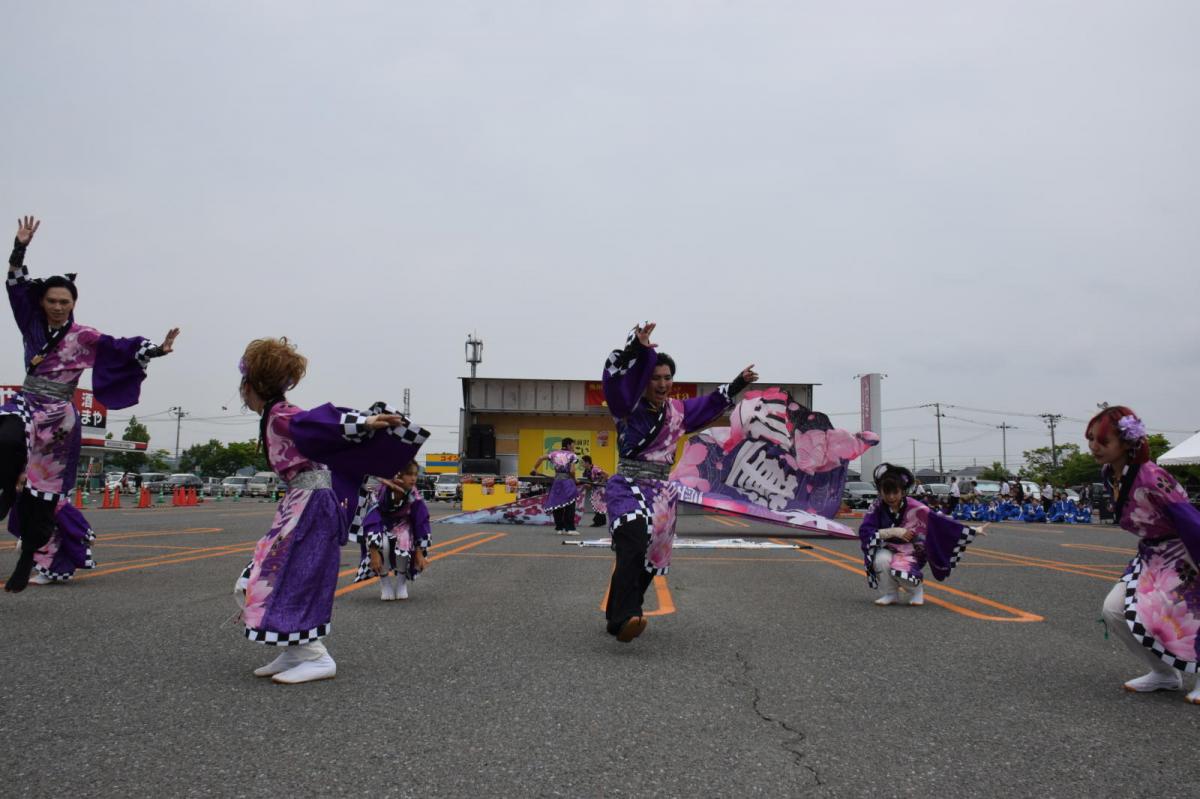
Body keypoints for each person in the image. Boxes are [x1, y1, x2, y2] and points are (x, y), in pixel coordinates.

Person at [234, 337, 428, 684]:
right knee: (279, 577)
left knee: (271, 578)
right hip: (302, 505)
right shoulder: (277, 416)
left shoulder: (282, 415)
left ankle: (316, 656)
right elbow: (321, 437)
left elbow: (317, 423)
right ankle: (296, 651)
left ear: (249, 386)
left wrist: (363, 424)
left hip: (309, 507)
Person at [1, 216, 179, 591]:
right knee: (5, 439)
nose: (57, 307)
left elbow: (121, 347)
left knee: (45, 498)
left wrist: (157, 350)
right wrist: (20, 247)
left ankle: (31, 558)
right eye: (51, 301)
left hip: (59, 418)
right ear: (42, 302)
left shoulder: (84, 336)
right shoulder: (29, 321)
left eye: (64, 302)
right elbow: (15, 281)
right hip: (28, 400)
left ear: (74, 303)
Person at [600, 322, 756, 642]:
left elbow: (712, 403)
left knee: (651, 552)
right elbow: (616, 380)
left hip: (661, 493)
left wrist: (738, 382)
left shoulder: (678, 412)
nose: (662, 384)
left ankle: (622, 613)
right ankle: (624, 616)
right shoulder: (627, 406)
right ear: (644, 381)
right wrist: (636, 349)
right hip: (628, 484)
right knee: (633, 533)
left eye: (667, 378)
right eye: (655, 378)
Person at [1092, 406, 1200, 703]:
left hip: (1184, 551)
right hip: (1151, 556)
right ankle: (1164, 673)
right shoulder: (1108, 475)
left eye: (1103, 441)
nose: (1094, 447)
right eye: (1090, 439)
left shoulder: (1152, 477)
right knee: (1113, 610)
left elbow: (1189, 519)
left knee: (1190, 614)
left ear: (1127, 443)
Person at [857, 463, 978, 606]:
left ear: (902, 491)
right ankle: (890, 593)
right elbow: (865, 531)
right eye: (886, 492)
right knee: (880, 560)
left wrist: (973, 530)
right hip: (888, 547)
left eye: (895, 492)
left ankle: (916, 591)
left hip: (913, 551)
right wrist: (892, 531)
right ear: (880, 492)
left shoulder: (916, 507)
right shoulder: (876, 506)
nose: (891, 497)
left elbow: (939, 521)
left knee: (900, 569)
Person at [352, 461, 431, 601]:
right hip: (381, 525)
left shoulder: (415, 496)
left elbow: (421, 522)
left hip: (403, 525)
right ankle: (385, 583)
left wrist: (419, 551)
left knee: (404, 539)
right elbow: (372, 521)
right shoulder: (379, 493)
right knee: (384, 544)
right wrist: (374, 552)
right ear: (398, 475)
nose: (413, 478)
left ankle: (401, 582)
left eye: (415, 474)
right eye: (409, 474)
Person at [531, 438, 579, 535]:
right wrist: (575, 480)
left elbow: (540, 458)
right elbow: (572, 471)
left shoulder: (553, 454)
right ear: (569, 445)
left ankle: (559, 528)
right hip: (567, 482)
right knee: (570, 504)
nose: (574, 447)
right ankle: (570, 529)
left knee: (557, 504)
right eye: (573, 445)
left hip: (557, 482)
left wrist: (534, 468)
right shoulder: (572, 455)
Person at [579, 454, 608, 527]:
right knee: (596, 504)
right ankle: (600, 521)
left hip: (601, 488)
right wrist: (587, 485)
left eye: (583, 462)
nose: (582, 464)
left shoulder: (595, 469)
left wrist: (600, 483)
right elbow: (591, 483)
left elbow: (606, 474)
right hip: (596, 488)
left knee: (599, 504)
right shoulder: (586, 471)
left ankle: (599, 521)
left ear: (587, 462)